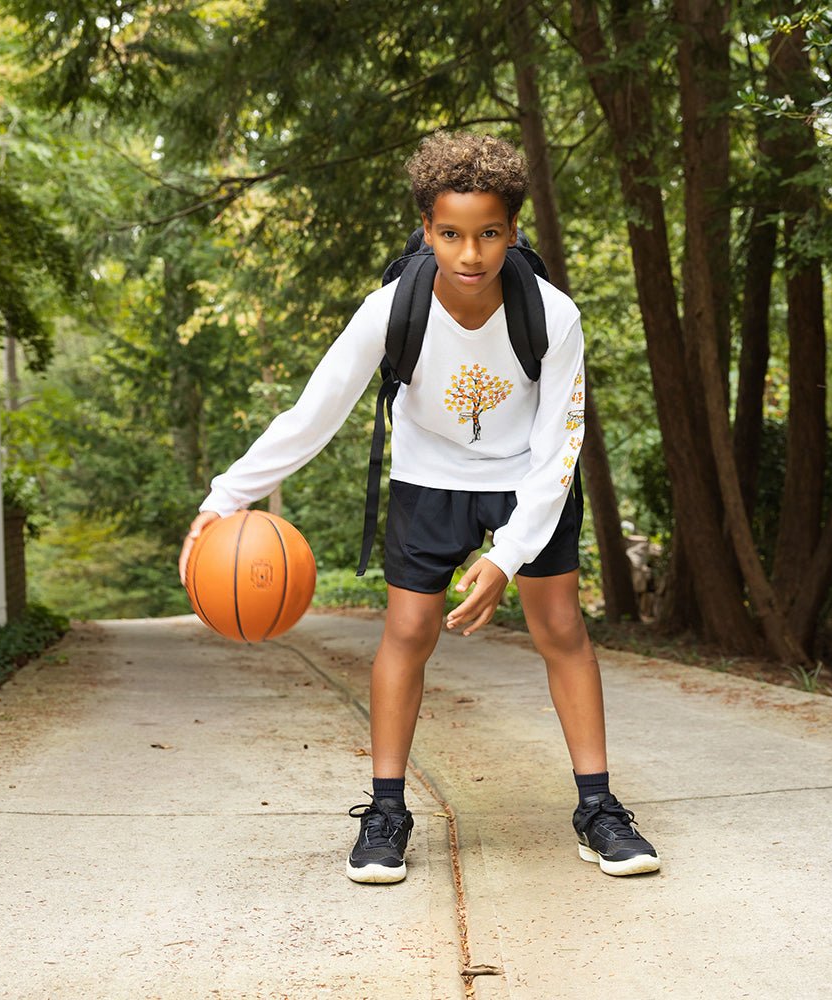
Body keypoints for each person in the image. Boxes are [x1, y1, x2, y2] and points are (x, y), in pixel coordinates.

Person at [178, 130, 659, 884]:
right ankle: (386, 811)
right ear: (428, 229)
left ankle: (598, 809)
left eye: (489, 233)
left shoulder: (553, 316)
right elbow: (315, 413)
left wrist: (504, 558)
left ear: (512, 229)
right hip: (429, 479)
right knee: (407, 629)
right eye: (451, 234)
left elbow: (561, 449)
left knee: (561, 626)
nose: (471, 254)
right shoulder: (391, 309)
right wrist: (224, 497)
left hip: (528, 478)